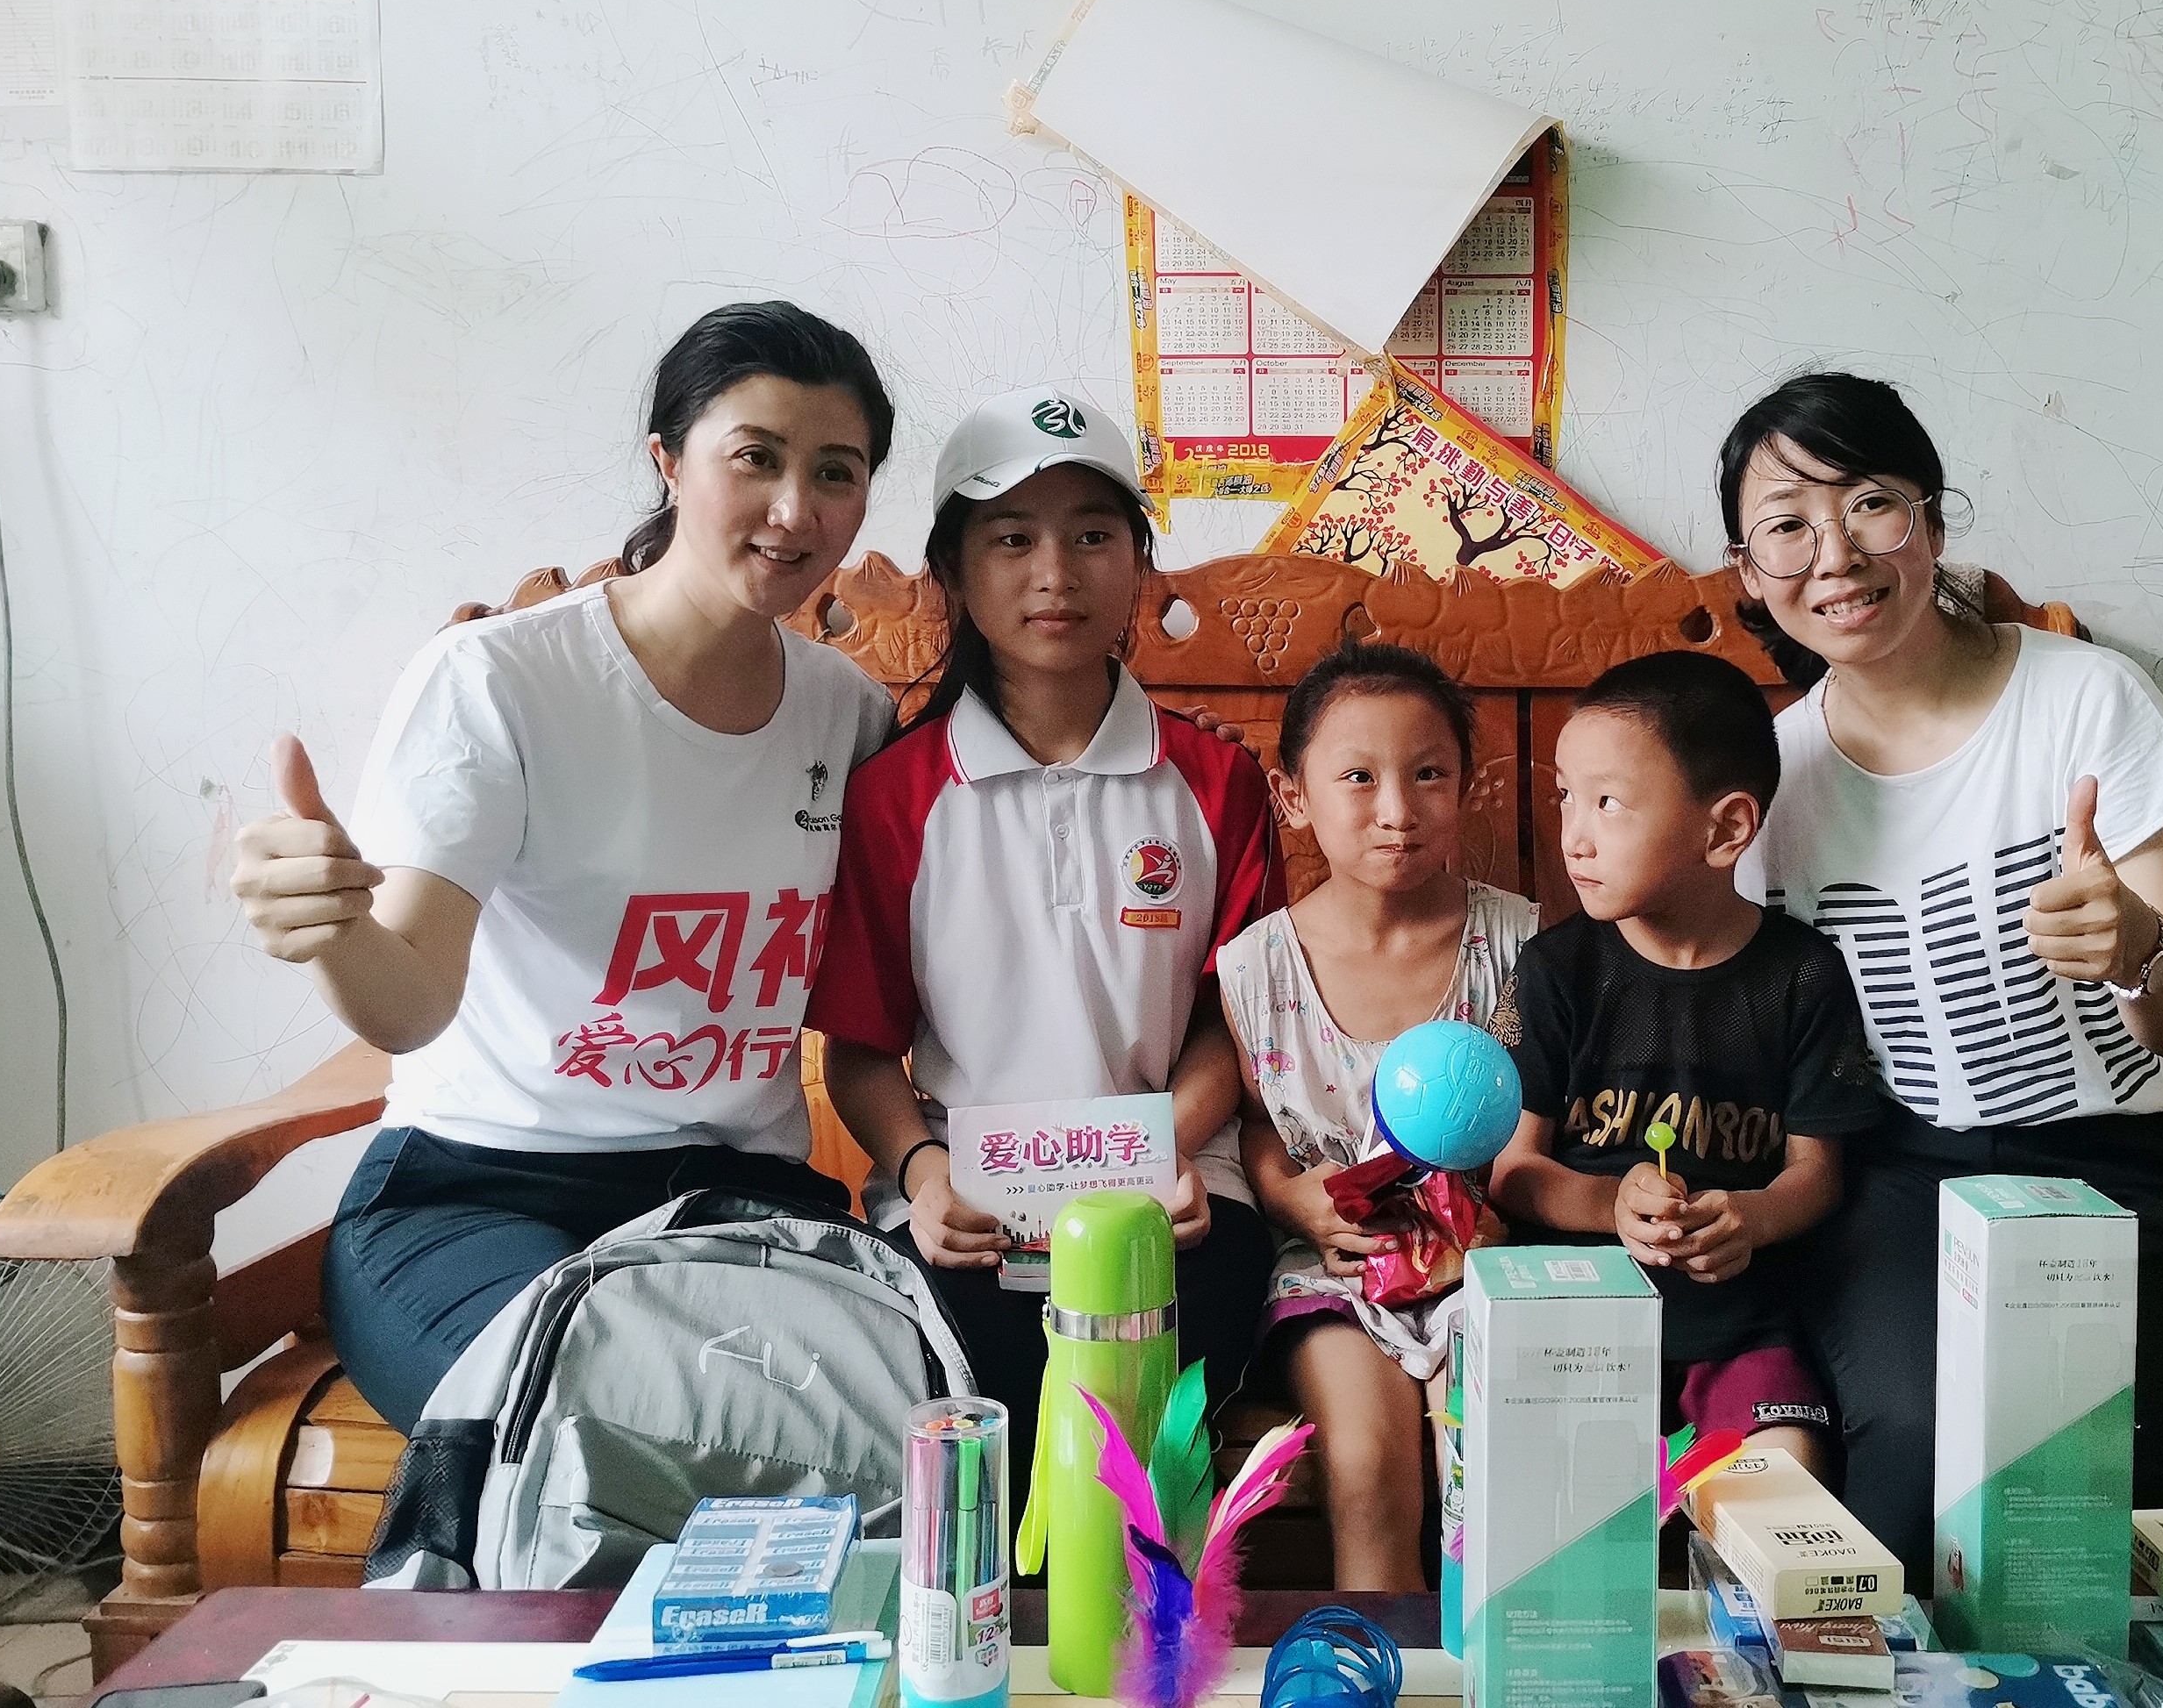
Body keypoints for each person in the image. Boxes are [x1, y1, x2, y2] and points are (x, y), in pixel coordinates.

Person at [229, 302, 899, 1429]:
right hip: (481, 1187)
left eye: (836, 471)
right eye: (756, 457)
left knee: (882, 1403)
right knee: (590, 1410)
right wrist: (334, 925)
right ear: (669, 461)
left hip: (738, 1203)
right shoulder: (500, 682)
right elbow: (408, 1002)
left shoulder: (850, 715)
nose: (796, 509)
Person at [1721, 371, 2163, 1584]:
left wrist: (2137, 947)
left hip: (2108, 1169)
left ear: (1933, 519)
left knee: (2100, 1466)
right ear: (1749, 570)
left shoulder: (2087, 700)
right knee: (1916, 1454)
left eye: (1870, 504)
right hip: (1896, 1177)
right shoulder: (1774, 779)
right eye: (1787, 526)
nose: (1836, 556)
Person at [808, 385, 1282, 1527]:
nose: (1055, 574)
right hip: (964, 1212)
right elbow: (861, 1050)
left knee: (1138, 1397)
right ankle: (999, 1627)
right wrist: (925, 1175)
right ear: (955, 572)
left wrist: (1167, 1150)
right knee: (982, 1399)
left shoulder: (1216, 782)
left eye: (1092, 536)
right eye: (1012, 539)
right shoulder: (896, 796)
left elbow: (1232, 1023)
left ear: (1139, 563)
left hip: (1176, 1197)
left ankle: (1140, 1622)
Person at [1489, 651, 1898, 1476]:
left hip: (1739, 1325)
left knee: (1786, 1480)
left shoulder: (1801, 976)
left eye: (1608, 803)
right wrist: (1613, 1203)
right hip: (1579, 1320)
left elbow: (1816, 1174)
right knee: (1564, 1491)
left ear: (1726, 829)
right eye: (1567, 796)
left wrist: (1752, 1218)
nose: (1575, 835)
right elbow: (1512, 1173)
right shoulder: (1556, 971)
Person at [1221, 640, 1536, 1591]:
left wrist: (1491, 1219)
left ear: (1467, 786)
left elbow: (1537, 1116)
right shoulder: (1258, 965)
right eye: (1358, 777)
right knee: (1365, 1472)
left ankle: (1501, 1658)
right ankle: (1378, 1656)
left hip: (1485, 1262)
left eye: (1428, 774)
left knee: (1491, 1461)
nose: (1397, 809)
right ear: (1294, 797)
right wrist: (1294, 1199)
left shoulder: (1518, 942)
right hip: (1333, 1268)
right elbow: (1257, 1128)